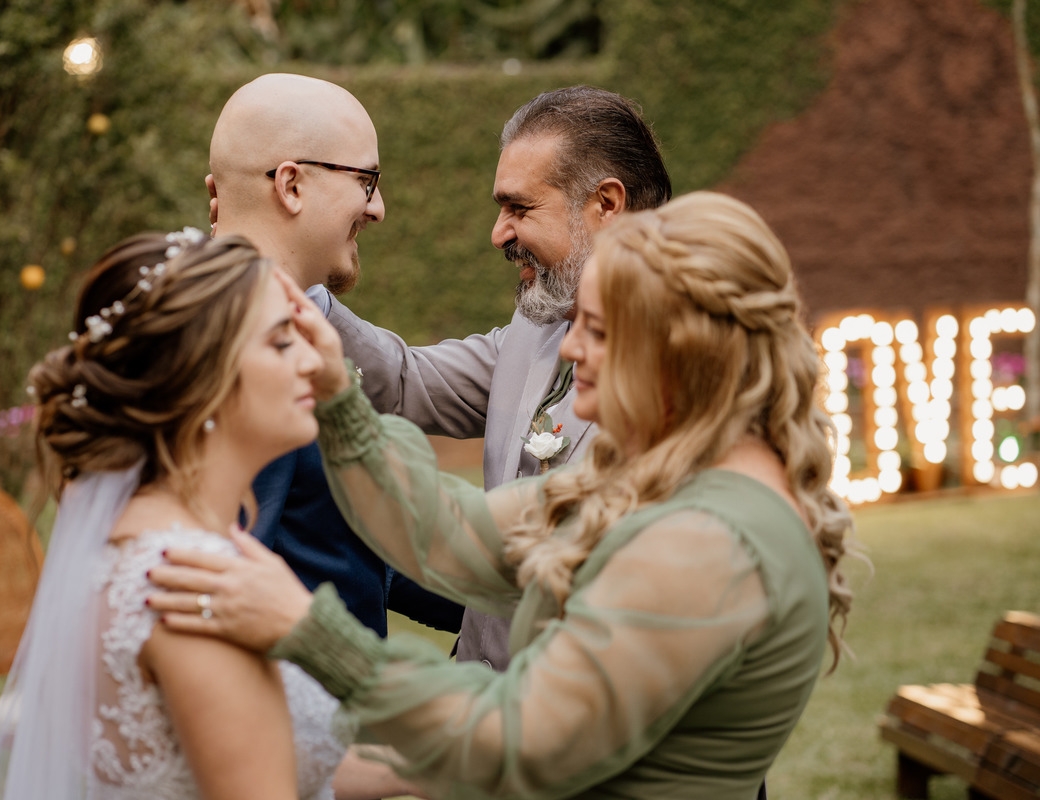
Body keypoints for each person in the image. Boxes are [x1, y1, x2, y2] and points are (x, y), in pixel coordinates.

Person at [148, 192, 855, 799]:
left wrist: (309, 630)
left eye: (598, 330)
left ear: (683, 352)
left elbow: (520, 739)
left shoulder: (708, 542)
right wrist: (339, 396)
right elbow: (452, 534)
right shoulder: (659, 479)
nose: (570, 349)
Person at [0, 231, 421, 800]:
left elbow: (261, 755)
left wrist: (428, 764)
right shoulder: (200, 587)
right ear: (199, 381)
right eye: (283, 342)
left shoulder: (133, 544)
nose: (315, 358)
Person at [320, 85, 672, 669]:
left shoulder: (697, 371)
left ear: (606, 204)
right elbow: (409, 381)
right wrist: (304, 302)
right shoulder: (538, 327)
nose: (498, 233)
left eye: (520, 208)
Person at [208, 72, 463, 638]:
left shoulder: (288, 323)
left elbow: (331, 540)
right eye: (367, 180)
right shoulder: (249, 345)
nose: (378, 208)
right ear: (291, 185)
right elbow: (231, 564)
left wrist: (501, 611)